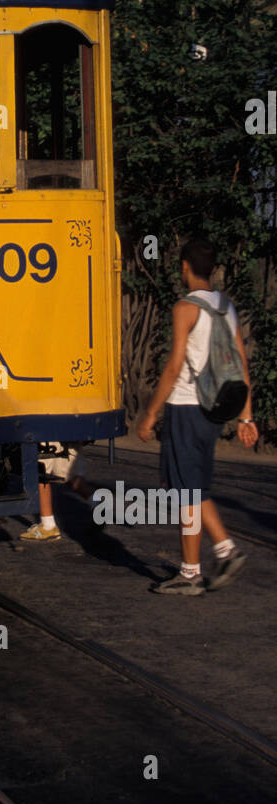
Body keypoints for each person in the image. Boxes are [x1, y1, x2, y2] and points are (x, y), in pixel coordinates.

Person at [137, 237, 257, 595]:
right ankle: (214, 555)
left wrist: (150, 413)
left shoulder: (185, 308)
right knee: (191, 487)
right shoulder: (226, 306)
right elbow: (240, 363)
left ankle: (203, 565)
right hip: (213, 410)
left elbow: (174, 367)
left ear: (185, 267)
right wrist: (246, 417)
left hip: (186, 406)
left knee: (185, 490)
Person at [20, 443, 94, 542]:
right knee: (71, 476)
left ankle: (48, 526)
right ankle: (100, 506)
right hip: (70, 434)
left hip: (45, 434)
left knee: (39, 474)